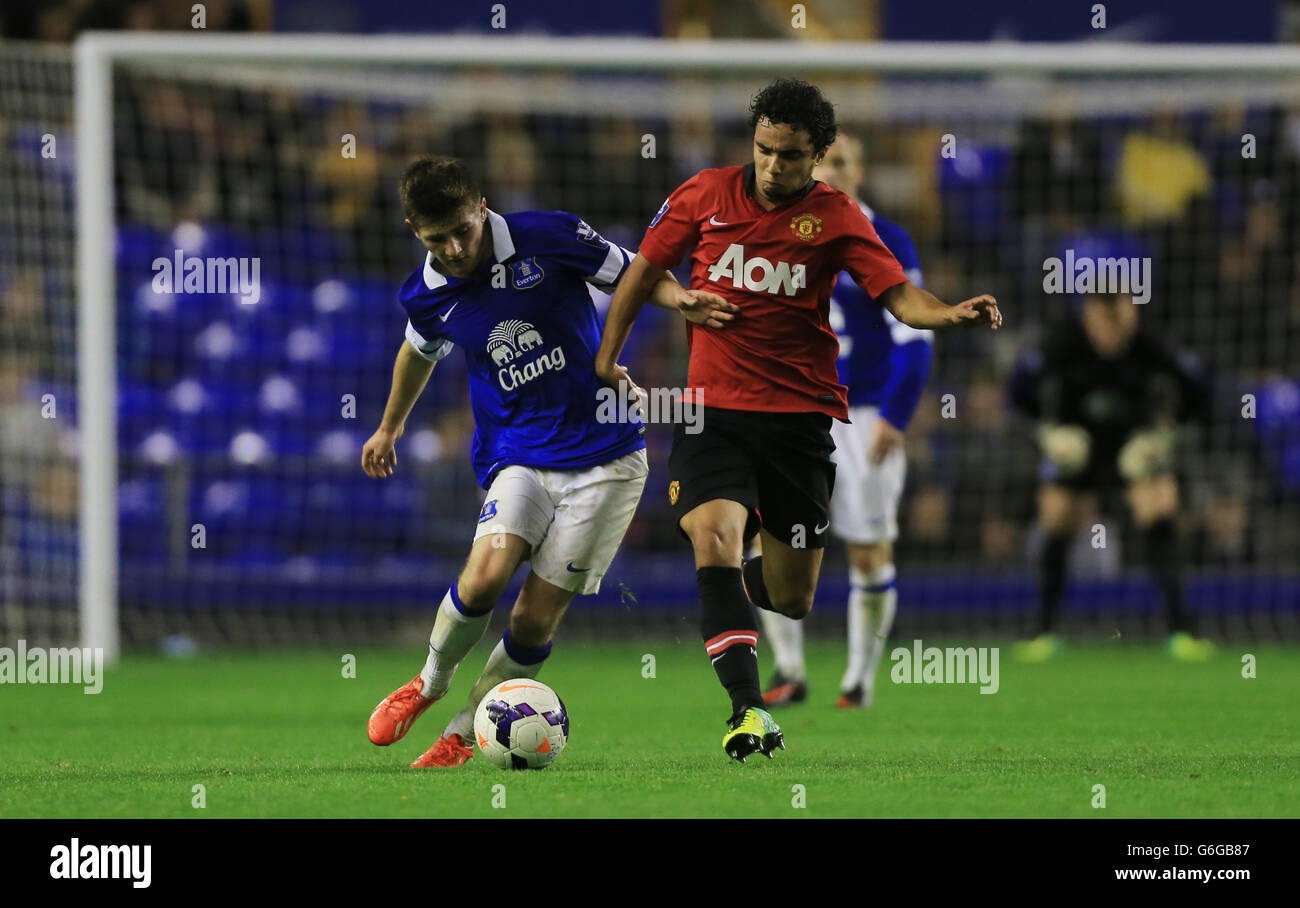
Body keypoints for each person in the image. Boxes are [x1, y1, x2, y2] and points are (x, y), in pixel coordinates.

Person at [595, 79, 1001, 763]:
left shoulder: (838, 217)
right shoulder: (701, 195)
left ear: (817, 156)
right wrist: (607, 359)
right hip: (712, 411)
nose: (774, 166)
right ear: (752, 140)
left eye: (791, 156)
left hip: (798, 420)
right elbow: (641, 273)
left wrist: (950, 312)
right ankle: (748, 709)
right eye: (764, 149)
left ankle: (724, 598)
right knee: (714, 537)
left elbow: (897, 294)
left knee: (792, 597)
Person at [364, 155, 734, 767]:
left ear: (482, 207)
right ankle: (429, 683)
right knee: (484, 575)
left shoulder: (550, 235)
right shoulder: (427, 293)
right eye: (438, 239)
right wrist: (388, 427)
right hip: (519, 453)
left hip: (608, 457)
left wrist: (678, 300)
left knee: (534, 617)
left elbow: (632, 273)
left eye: (464, 229)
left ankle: (462, 731)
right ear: (414, 230)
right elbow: (417, 353)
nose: (455, 248)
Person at [756, 133, 932, 710]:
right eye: (822, 163)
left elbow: (914, 335)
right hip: (795, 412)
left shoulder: (889, 239)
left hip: (864, 415)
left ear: (859, 173)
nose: (829, 174)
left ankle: (859, 680)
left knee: (865, 549)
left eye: (840, 163)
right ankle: (789, 670)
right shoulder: (783, 232)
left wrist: (896, 416)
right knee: (762, 538)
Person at [1011, 290, 1212, 661]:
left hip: (1134, 446)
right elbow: (1018, 393)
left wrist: (1163, 438)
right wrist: (1049, 435)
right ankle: (1042, 632)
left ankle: (1182, 633)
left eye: (1121, 314)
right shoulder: (1062, 344)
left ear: (1133, 312)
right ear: (1088, 314)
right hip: (1079, 446)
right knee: (1055, 517)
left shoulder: (1152, 346)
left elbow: (1200, 393)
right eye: (1104, 316)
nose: (1113, 327)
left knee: (1160, 507)